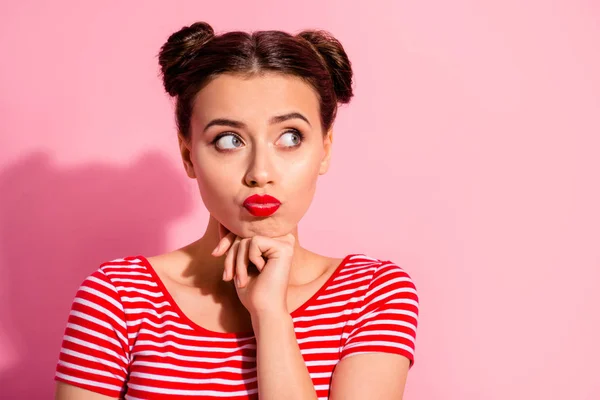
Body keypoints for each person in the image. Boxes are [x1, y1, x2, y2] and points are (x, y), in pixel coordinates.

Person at [54, 21, 419, 400]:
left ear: (324, 148)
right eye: (229, 140)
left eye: (290, 137)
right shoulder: (120, 297)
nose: (260, 173)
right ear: (188, 155)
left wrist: (270, 316)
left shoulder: (372, 293)